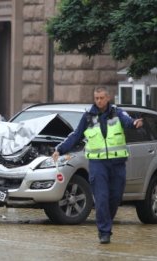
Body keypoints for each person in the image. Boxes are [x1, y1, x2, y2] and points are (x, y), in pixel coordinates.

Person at [52, 86, 143, 244]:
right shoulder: (88, 117)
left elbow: (128, 122)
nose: (99, 101)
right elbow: (76, 135)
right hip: (97, 164)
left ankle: (106, 222)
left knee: (115, 198)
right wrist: (59, 149)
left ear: (108, 98)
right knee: (101, 198)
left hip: (118, 163)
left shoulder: (117, 113)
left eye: (101, 98)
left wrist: (135, 123)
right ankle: (104, 231)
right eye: (96, 98)